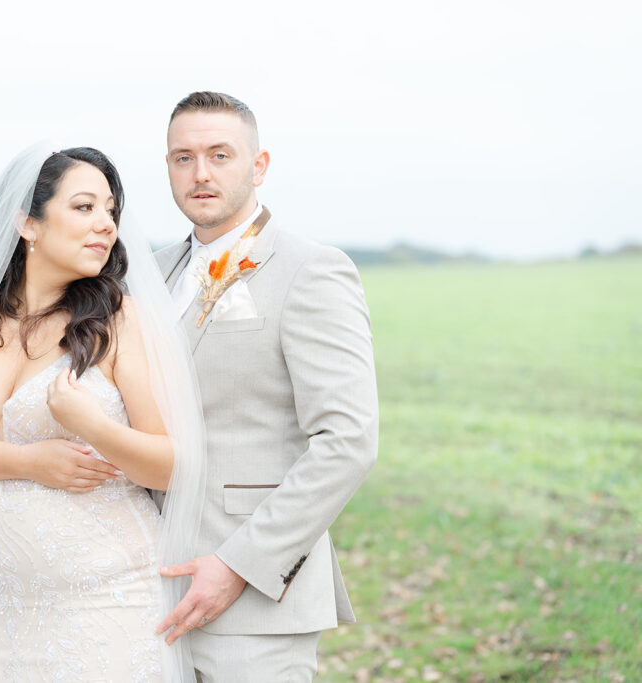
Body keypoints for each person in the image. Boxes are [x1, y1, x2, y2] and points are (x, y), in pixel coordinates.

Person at [0, 145, 207, 682]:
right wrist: (26, 462)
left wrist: (94, 428)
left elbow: (171, 464)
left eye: (110, 210)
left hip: (104, 601)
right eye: (84, 207)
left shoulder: (120, 320)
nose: (105, 224)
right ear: (27, 222)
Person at [149, 92, 379, 681]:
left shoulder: (312, 270)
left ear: (259, 166)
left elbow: (347, 441)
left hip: (254, 606)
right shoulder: (148, 274)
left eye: (220, 155)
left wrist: (238, 565)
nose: (200, 173)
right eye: (183, 157)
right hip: (146, 588)